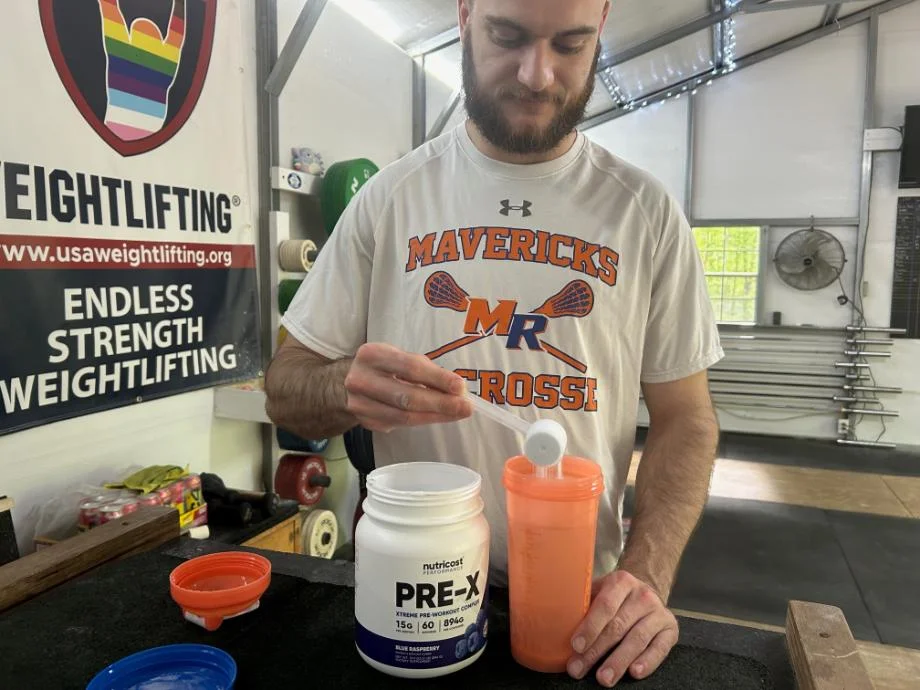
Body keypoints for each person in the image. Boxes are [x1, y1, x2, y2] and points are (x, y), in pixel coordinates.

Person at [265, 0, 723, 686]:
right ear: (464, 17)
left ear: (601, 29)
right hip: (411, 595)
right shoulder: (391, 199)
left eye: (570, 45)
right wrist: (339, 387)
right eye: (507, 36)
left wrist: (647, 574)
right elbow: (285, 388)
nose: (537, 75)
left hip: (581, 604)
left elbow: (687, 418)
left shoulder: (644, 212)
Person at [97, 0, 187, 140]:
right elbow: (177, 35)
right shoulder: (165, 65)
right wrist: (179, 3)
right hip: (153, 134)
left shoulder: (121, 54)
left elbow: (110, 9)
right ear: (159, 44)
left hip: (116, 129)